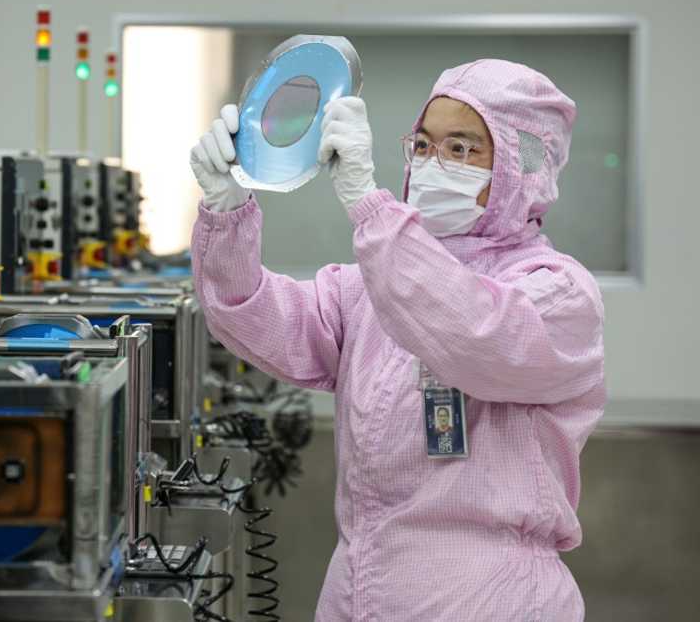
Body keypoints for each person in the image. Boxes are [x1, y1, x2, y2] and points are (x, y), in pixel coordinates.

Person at [189, 59, 606, 621]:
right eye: (425, 145)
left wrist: (369, 205)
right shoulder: (368, 285)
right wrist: (228, 207)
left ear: (520, 167)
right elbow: (250, 315)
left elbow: (467, 330)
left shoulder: (557, 295)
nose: (435, 164)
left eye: (462, 149)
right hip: (362, 589)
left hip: (491, 600)